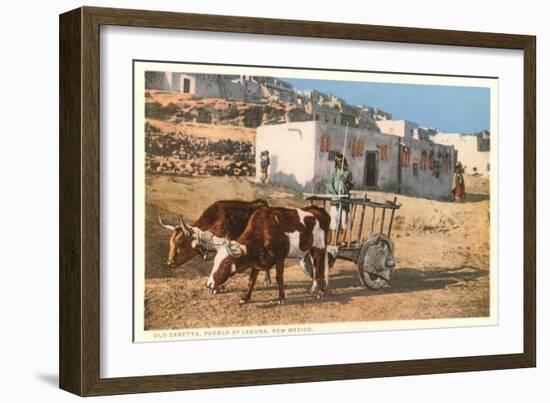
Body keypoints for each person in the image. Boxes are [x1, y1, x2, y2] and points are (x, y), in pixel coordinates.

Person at [327, 153, 353, 245]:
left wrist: (345, 181)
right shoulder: (333, 172)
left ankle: (342, 240)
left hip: (344, 201)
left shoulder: (348, 172)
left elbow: (351, 185)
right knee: (333, 220)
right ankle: (333, 240)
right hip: (335, 200)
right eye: (337, 161)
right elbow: (330, 185)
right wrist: (335, 193)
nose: (339, 163)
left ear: (343, 161)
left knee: (344, 220)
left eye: (341, 161)